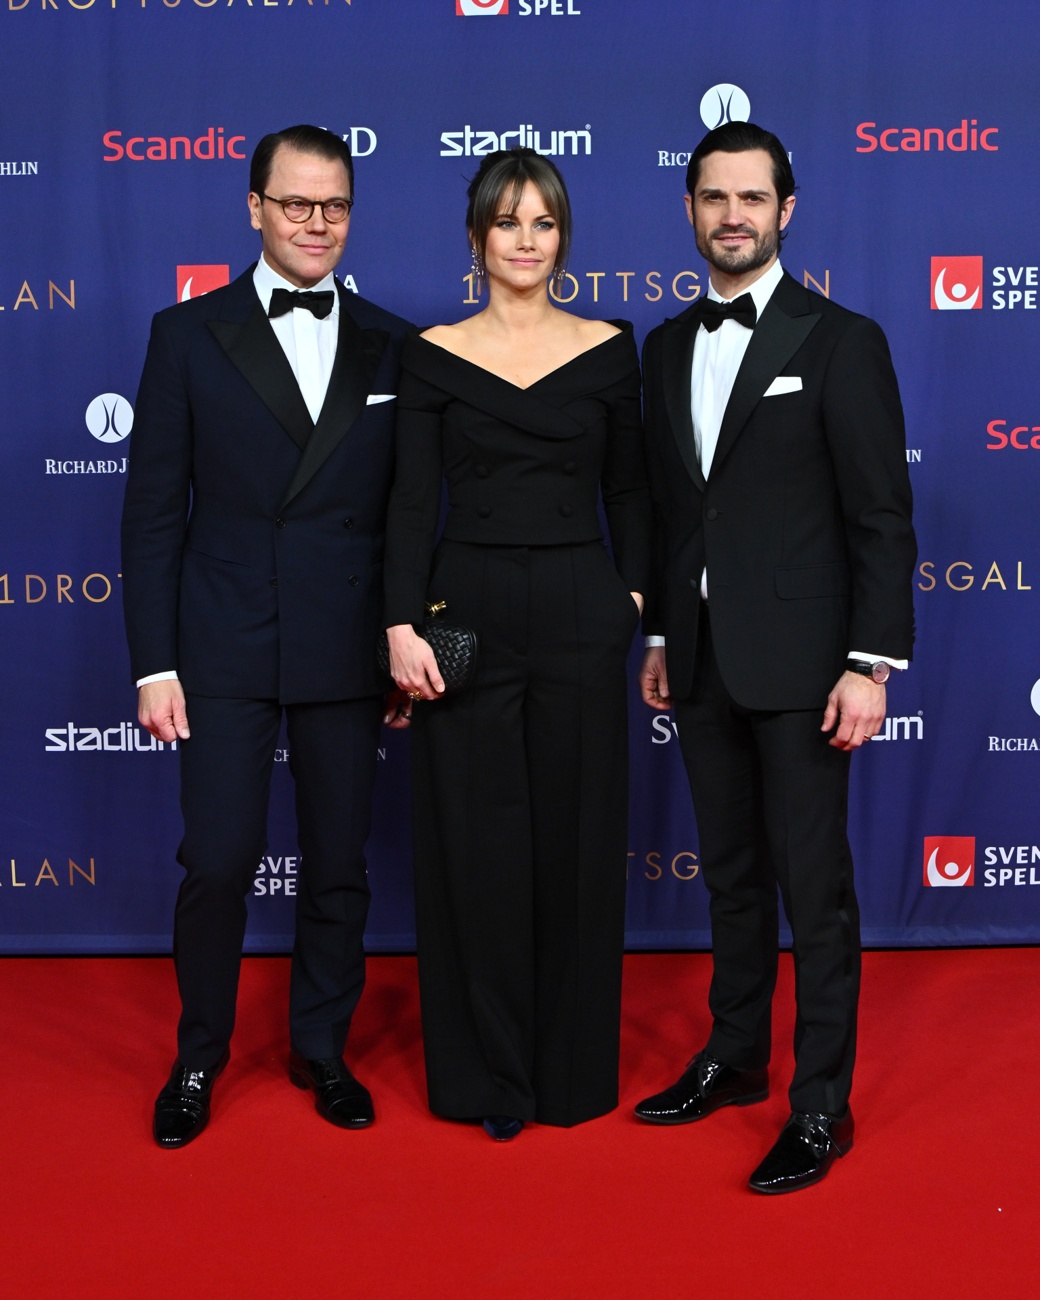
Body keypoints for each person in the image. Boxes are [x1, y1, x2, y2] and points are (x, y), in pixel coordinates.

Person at [635, 122, 916, 1193]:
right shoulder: (662, 348)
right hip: (702, 661)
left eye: (751, 197)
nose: (732, 216)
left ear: (785, 209)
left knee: (814, 888)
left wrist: (868, 664)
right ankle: (734, 1056)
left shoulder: (839, 341)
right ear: (690, 210)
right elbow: (672, 516)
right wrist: (662, 633)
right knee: (732, 878)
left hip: (807, 667)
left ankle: (819, 1106)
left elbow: (880, 519)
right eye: (713, 198)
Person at [121, 124, 413, 1148]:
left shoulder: (392, 340)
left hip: (341, 641)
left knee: (339, 863)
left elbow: (405, 513)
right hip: (221, 642)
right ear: (254, 209)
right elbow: (154, 514)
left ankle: (321, 1048)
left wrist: (401, 638)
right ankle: (198, 1055)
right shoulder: (184, 337)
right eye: (296, 204)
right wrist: (155, 662)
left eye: (333, 205)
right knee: (217, 858)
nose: (316, 224)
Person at [383, 148, 653, 1140]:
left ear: (562, 238)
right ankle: (484, 1076)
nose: (526, 240)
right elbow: (410, 499)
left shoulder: (609, 348)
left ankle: (570, 1073)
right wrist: (399, 621)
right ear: (475, 239)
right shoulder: (430, 352)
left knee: (577, 840)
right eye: (508, 222)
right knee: (471, 840)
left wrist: (628, 594)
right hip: (463, 610)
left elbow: (630, 488)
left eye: (543, 222)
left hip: (583, 602)